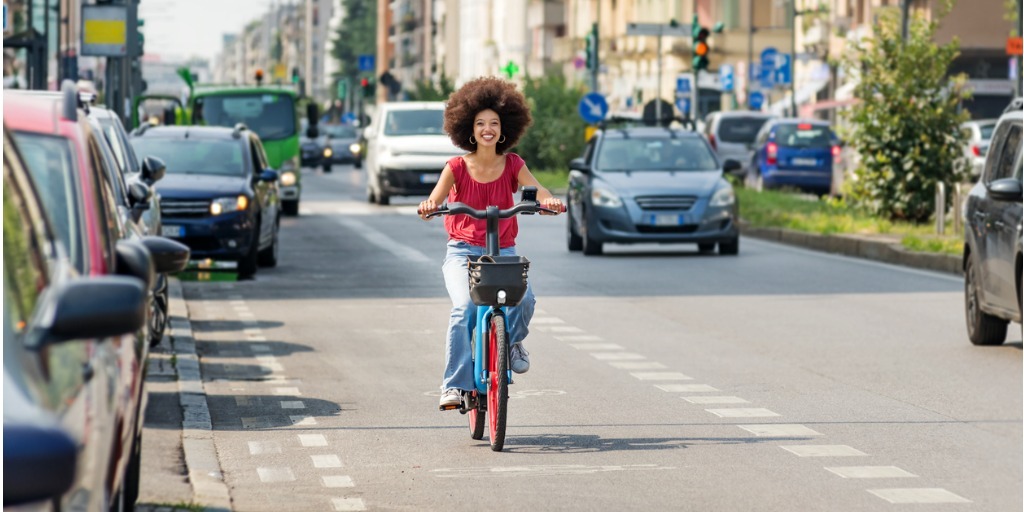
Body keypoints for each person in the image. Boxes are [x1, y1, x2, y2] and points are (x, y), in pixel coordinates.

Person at [418, 76, 562, 410]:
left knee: (526, 301)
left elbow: (538, 190)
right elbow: (434, 199)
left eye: (494, 123)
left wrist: (549, 201)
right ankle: (454, 385)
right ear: (468, 127)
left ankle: (511, 343)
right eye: (481, 123)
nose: (488, 129)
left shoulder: (513, 164)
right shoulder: (455, 167)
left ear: (504, 129)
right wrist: (428, 207)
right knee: (463, 309)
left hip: (503, 252)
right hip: (462, 254)